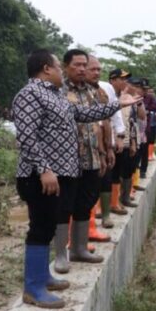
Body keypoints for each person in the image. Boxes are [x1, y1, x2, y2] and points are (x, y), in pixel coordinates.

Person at [13, 49, 140, 309]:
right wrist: (44, 169)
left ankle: (42, 277)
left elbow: (83, 115)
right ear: (46, 69)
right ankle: (33, 288)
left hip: (60, 174)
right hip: (40, 176)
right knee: (40, 227)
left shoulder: (54, 96)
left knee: (48, 226)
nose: (61, 71)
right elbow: (26, 136)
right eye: (58, 67)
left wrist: (119, 104)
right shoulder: (29, 95)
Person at [53, 50, 110, 274]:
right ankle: (60, 255)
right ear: (66, 67)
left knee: (85, 203)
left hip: (92, 158)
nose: (82, 69)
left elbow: (100, 123)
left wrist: (104, 153)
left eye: (84, 65)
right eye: (77, 65)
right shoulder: (58, 91)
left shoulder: (93, 92)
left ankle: (80, 249)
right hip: (66, 160)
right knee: (63, 206)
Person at [86, 56, 125, 230]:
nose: (96, 72)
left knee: (106, 177)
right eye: (91, 69)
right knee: (89, 184)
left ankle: (106, 215)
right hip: (86, 144)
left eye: (98, 69)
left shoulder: (104, 89)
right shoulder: (73, 92)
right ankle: (90, 223)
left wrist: (119, 136)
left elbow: (113, 113)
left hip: (104, 140)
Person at [108, 69, 138, 210]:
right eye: (122, 79)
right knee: (108, 175)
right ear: (112, 80)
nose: (125, 82)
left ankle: (115, 202)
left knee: (119, 173)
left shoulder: (126, 99)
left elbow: (131, 122)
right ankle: (107, 206)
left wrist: (132, 142)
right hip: (110, 142)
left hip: (123, 142)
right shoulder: (107, 96)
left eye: (126, 79)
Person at [140, 79, 156, 178]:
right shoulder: (134, 97)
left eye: (146, 89)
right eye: (143, 89)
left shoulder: (150, 98)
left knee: (144, 150)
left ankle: (143, 171)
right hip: (135, 129)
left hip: (146, 128)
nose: (145, 91)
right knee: (136, 153)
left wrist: (146, 109)